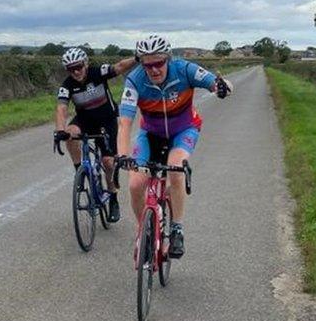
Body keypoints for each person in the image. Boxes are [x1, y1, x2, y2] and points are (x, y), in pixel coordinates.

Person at [115, 35, 232, 257]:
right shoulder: (134, 80)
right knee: (135, 183)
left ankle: (177, 229)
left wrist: (222, 87)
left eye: (159, 63)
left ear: (168, 58)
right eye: (147, 65)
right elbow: (125, 123)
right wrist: (122, 155)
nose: (153, 70)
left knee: (176, 167)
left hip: (183, 130)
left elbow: (214, 83)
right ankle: (145, 231)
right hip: (150, 134)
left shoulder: (184, 69)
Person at [54, 47, 137, 222]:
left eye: (78, 66)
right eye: (71, 69)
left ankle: (113, 197)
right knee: (69, 134)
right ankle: (80, 171)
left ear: (85, 63)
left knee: (108, 162)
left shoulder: (97, 72)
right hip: (85, 120)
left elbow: (120, 66)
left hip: (106, 121)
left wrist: (138, 58)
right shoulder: (67, 85)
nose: (76, 71)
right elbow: (61, 107)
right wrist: (60, 130)